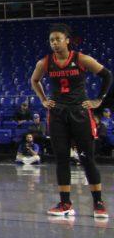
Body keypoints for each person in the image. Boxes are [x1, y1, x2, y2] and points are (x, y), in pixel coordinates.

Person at [30, 24, 110, 220]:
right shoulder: (45, 62)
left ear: (67, 40)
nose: (54, 43)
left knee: (86, 159)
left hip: (80, 114)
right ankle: (65, 203)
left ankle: (98, 203)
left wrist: (98, 100)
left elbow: (107, 75)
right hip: (57, 115)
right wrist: (42, 99)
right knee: (62, 159)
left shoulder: (81, 59)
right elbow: (34, 80)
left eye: (58, 39)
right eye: (51, 40)